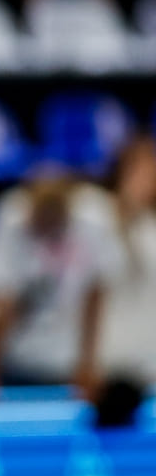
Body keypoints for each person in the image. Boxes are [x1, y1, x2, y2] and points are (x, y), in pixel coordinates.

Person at [0, 164, 118, 400]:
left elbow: (95, 295)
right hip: (18, 361)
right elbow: (1, 302)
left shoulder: (95, 216)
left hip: (69, 362)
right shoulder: (11, 216)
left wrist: (88, 363)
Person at [96, 136, 156, 390]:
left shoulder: (151, 226)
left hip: (150, 361)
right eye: (141, 169)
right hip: (109, 362)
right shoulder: (97, 215)